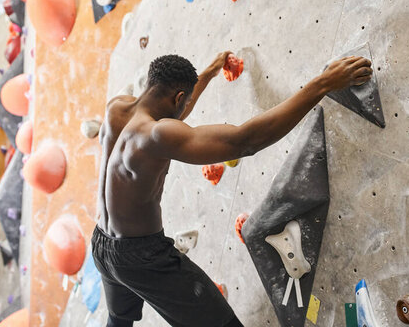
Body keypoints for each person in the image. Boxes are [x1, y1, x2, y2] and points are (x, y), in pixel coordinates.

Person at [92, 52, 373, 327]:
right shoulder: (154, 135)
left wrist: (209, 72)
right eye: (185, 100)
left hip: (102, 245)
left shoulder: (117, 108)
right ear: (179, 98)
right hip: (143, 258)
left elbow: (170, 112)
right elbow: (245, 141)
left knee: (119, 318)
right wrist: (323, 83)